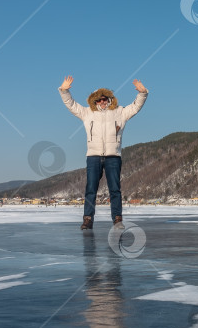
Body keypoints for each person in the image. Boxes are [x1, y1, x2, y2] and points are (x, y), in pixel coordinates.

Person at [59, 75, 148, 230]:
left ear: (110, 99)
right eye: (99, 100)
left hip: (113, 156)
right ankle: (88, 219)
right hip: (93, 156)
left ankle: (117, 219)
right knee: (90, 189)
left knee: (115, 189)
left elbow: (135, 107)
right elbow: (71, 105)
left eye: (105, 99)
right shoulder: (87, 113)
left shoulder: (120, 112)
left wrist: (142, 93)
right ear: (94, 101)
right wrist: (64, 90)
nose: (102, 102)